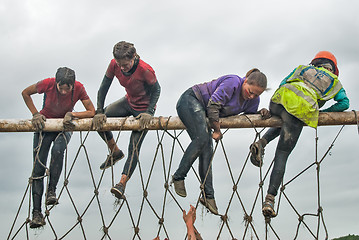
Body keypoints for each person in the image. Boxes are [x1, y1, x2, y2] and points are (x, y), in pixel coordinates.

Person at [249, 51, 349, 218]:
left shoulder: (302, 69)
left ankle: (262, 142)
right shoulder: (334, 81)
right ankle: (269, 200)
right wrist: (321, 112)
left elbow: (282, 83)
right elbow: (344, 103)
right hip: (300, 111)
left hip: (277, 102)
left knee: (286, 120)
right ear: (333, 69)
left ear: (315, 63)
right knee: (282, 153)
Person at [172, 69, 269, 215]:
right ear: (245, 81)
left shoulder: (253, 100)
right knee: (203, 139)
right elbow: (213, 105)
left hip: (204, 113)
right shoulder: (233, 83)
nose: (252, 96)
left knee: (207, 150)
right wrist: (217, 130)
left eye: (256, 94)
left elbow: (250, 115)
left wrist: (262, 112)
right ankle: (179, 176)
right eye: (250, 91)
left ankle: (208, 196)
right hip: (191, 101)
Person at [21, 67, 95, 228]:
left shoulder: (79, 88)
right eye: (60, 87)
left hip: (64, 125)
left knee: (58, 149)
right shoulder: (47, 84)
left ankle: (52, 190)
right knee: (38, 168)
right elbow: (25, 93)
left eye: (66, 88)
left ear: (72, 86)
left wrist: (73, 114)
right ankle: (36, 213)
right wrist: (35, 114)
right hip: (45, 125)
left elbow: (91, 111)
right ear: (56, 83)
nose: (63, 91)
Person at [92, 41, 161, 200]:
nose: (122, 68)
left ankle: (122, 184)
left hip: (144, 109)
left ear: (134, 57)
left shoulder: (145, 69)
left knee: (134, 146)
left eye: (126, 64)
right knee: (98, 123)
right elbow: (103, 87)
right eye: (119, 64)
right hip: (128, 102)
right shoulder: (113, 65)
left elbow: (157, 89)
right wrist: (99, 111)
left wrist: (149, 112)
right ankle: (115, 151)